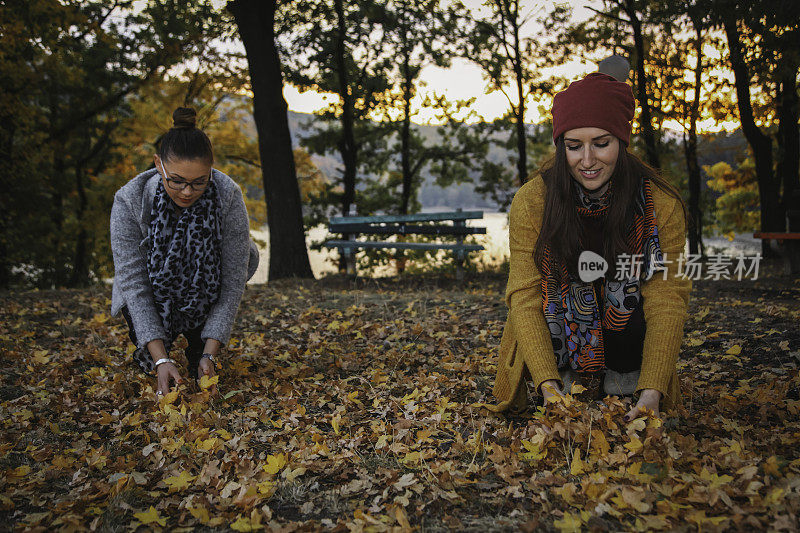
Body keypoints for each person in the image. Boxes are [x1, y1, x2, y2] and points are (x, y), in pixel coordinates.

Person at [490, 71, 691, 421]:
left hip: (627, 340)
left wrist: (653, 392)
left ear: (622, 141)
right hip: (558, 343)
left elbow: (667, 298)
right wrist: (549, 392)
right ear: (560, 146)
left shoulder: (661, 203)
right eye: (573, 146)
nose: (587, 160)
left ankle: (631, 387)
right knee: (536, 304)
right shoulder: (532, 201)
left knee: (631, 304)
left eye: (601, 143)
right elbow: (523, 296)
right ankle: (561, 382)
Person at [110, 107, 259, 396]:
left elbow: (231, 283)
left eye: (199, 181)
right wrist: (161, 358)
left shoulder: (228, 195)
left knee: (199, 365)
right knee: (156, 355)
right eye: (176, 180)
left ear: (211, 171)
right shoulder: (129, 201)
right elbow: (135, 286)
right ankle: (156, 350)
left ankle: (198, 348)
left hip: (205, 287)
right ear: (158, 165)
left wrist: (210, 354)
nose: (187, 192)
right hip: (152, 291)